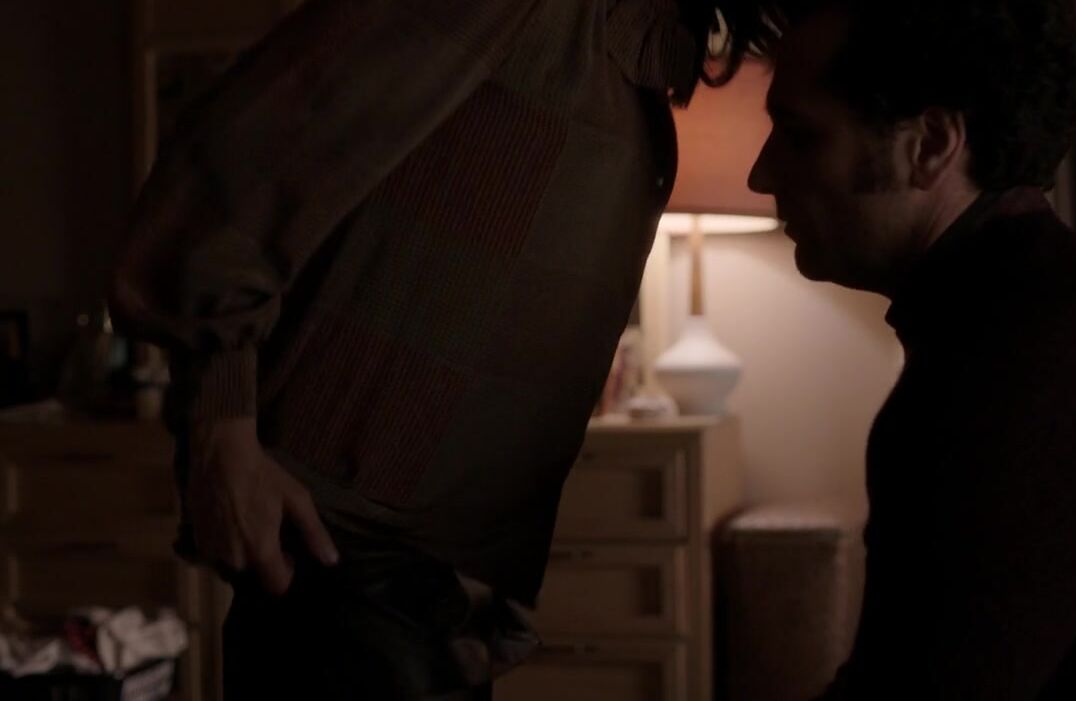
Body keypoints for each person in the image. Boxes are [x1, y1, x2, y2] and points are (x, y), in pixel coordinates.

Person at [107, 0, 787, 698]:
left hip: (429, 595)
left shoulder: (640, 46)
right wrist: (221, 424)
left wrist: (489, 578)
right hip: (341, 559)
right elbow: (239, 157)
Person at [748, 1, 1076, 697]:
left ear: (930, 145)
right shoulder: (1032, 313)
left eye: (801, 135)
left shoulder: (1022, 374)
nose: (762, 174)